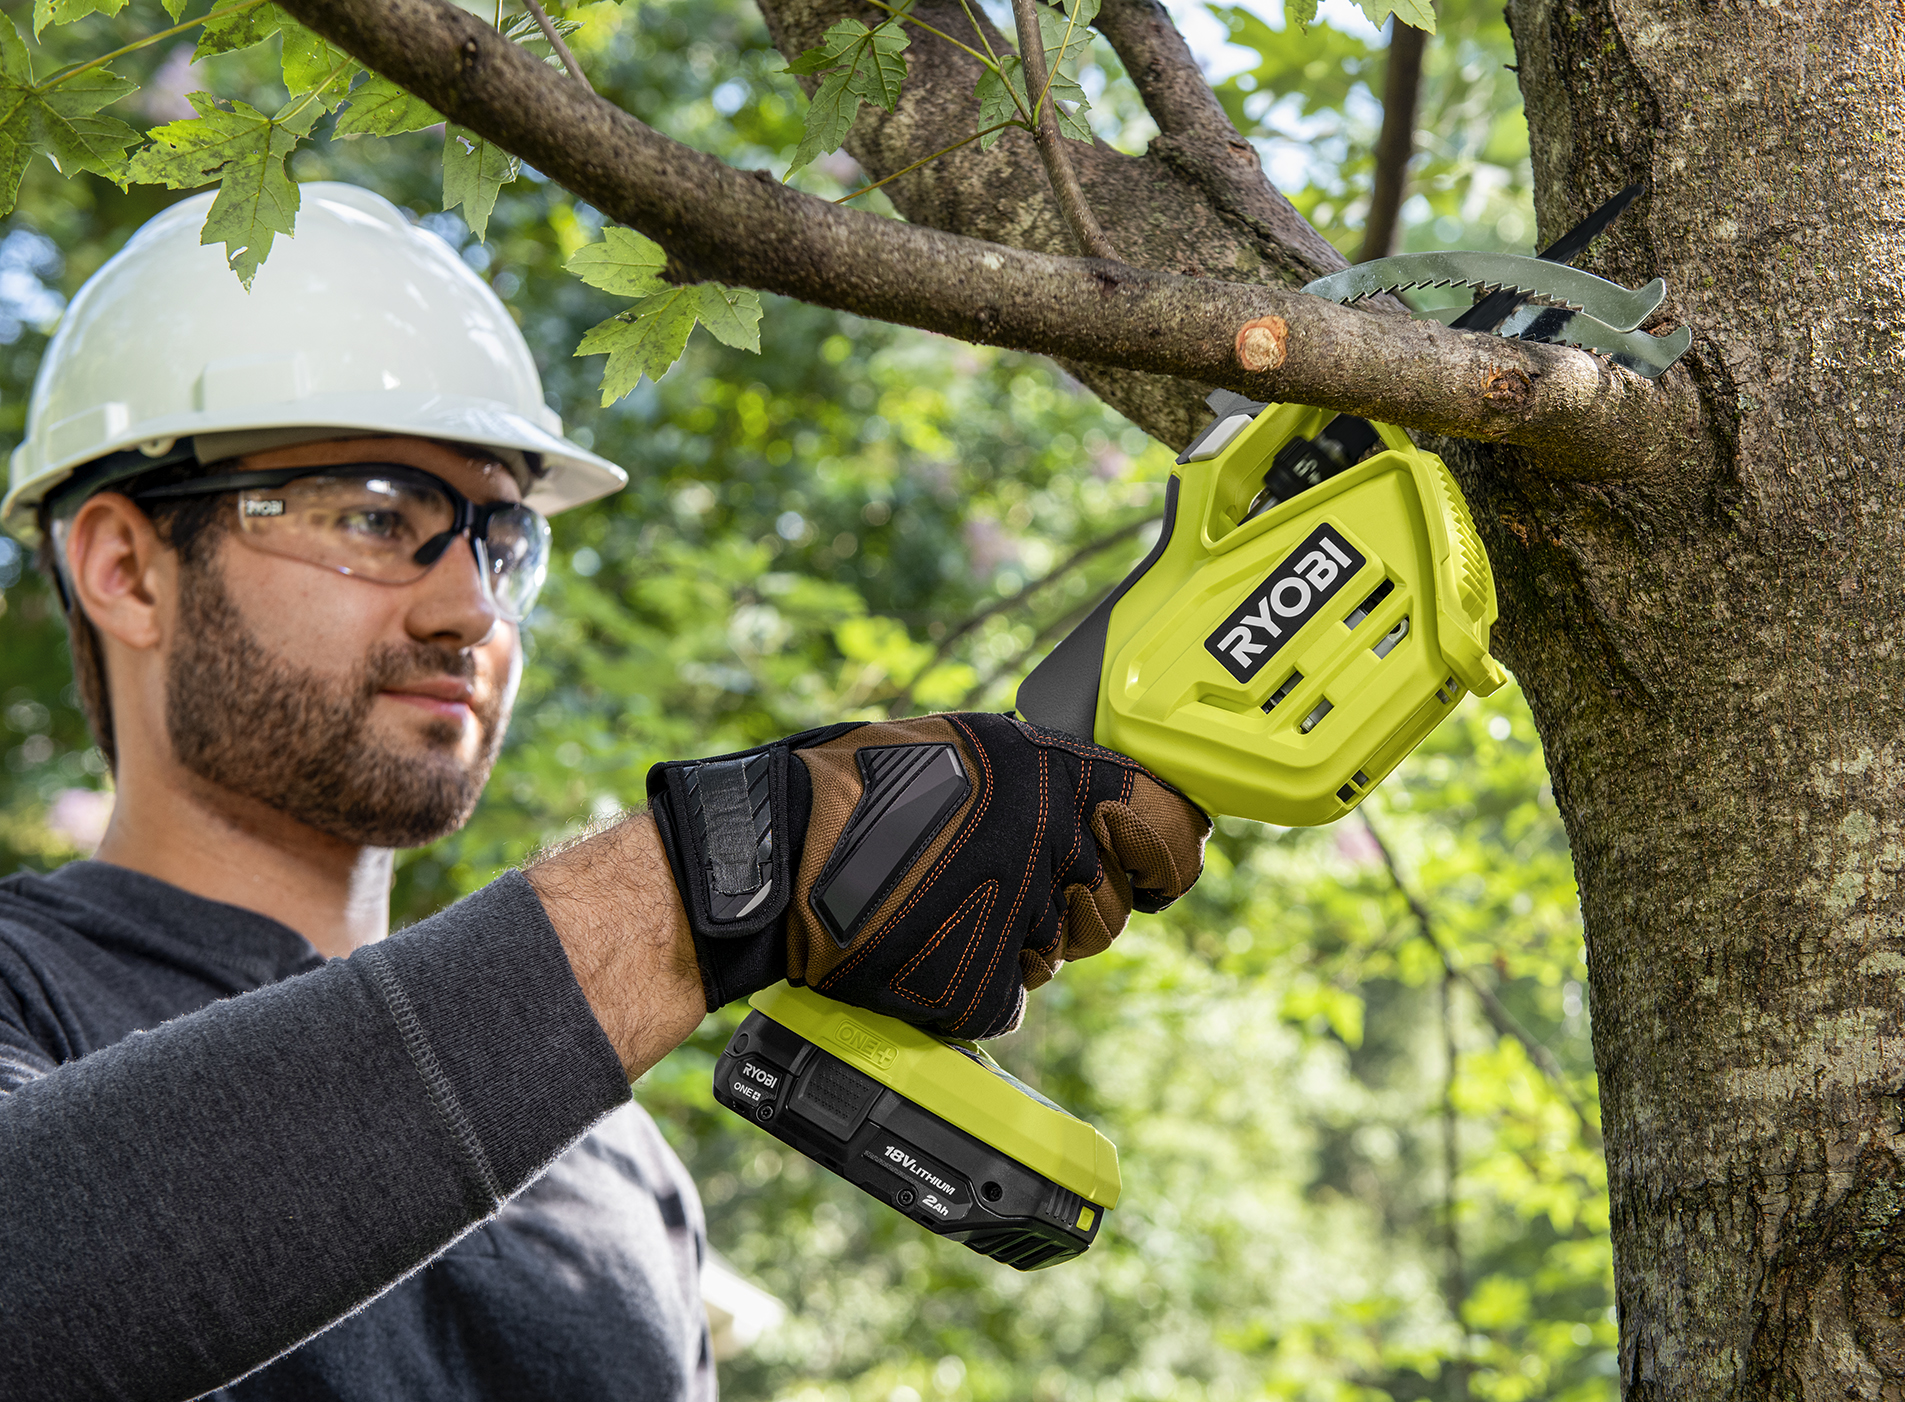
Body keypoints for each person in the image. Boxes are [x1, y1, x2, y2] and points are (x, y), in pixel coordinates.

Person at [0, 184, 1210, 1401]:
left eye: (501, 538)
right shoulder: (26, 992)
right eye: (376, 516)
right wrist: (715, 874)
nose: (469, 608)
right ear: (126, 569)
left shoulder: (610, 1161)